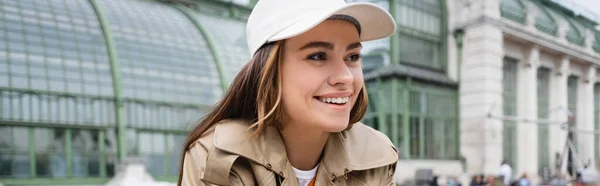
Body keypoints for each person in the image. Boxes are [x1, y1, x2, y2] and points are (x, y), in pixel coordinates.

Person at [176, 0, 397, 185]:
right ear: (268, 71)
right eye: (318, 56)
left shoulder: (376, 156)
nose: (346, 77)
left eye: (353, 57)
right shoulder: (219, 156)